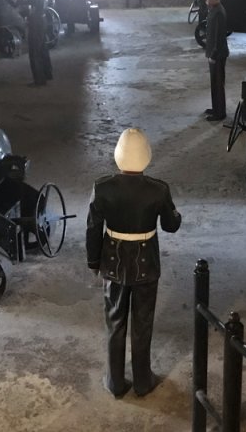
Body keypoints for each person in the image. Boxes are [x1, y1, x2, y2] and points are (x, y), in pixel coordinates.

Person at [86, 128, 182, 398]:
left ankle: (115, 381)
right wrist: (175, 214)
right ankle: (142, 380)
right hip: (145, 262)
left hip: (113, 261)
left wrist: (94, 261)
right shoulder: (158, 190)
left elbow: (93, 228)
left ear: (118, 155)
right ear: (147, 156)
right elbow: (171, 225)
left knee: (114, 322)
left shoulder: (102, 188)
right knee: (142, 323)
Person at [12, 0, 53, 85]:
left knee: (34, 51)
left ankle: (39, 80)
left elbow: (18, 1)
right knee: (43, 48)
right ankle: (48, 73)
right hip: (43, 20)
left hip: (35, 23)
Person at [203, 0, 229, 121]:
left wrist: (213, 55)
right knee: (214, 82)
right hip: (215, 54)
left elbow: (218, 38)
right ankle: (216, 108)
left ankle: (220, 113)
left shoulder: (219, 12)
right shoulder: (214, 9)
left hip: (217, 55)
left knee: (218, 84)